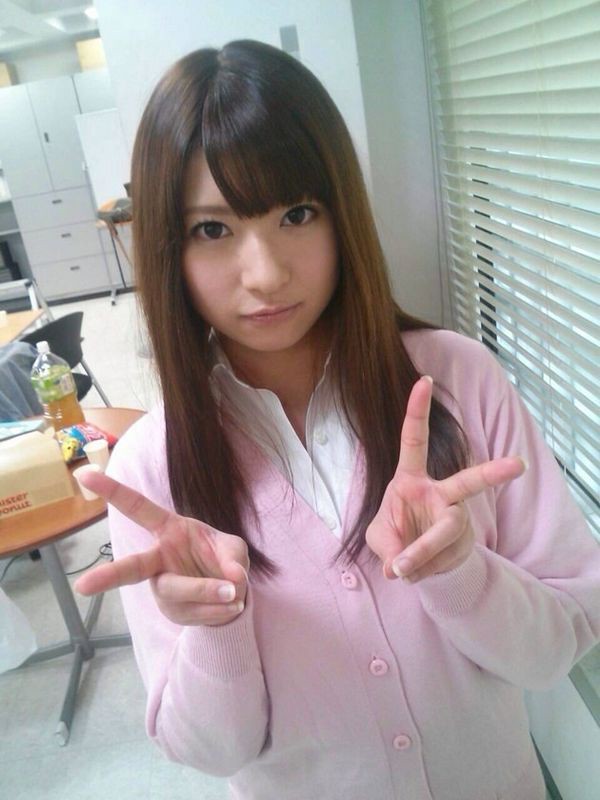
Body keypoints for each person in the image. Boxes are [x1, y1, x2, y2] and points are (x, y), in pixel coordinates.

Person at [75, 40, 600, 800]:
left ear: (341, 213)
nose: (266, 274)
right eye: (212, 230)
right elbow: (210, 753)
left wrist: (462, 573)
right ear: (167, 250)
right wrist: (216, 626)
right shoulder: (153, 471)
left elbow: (559, 649)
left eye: (297, 213)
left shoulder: (456, 381)